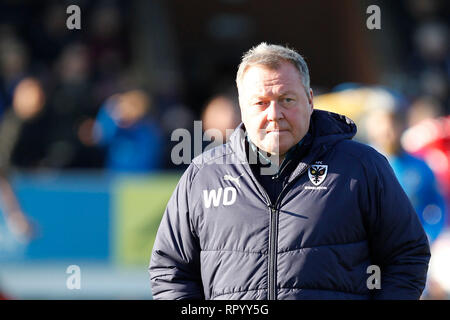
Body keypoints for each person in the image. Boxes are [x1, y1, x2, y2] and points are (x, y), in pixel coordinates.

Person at [149, 43, 430, 300]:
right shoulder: (202, 176)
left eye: (287, 100)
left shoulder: (363, 167)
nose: (274, 114)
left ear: (309, 100)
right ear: (242, 107)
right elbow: (170, 272)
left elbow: (407, 255)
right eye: (260, 102)